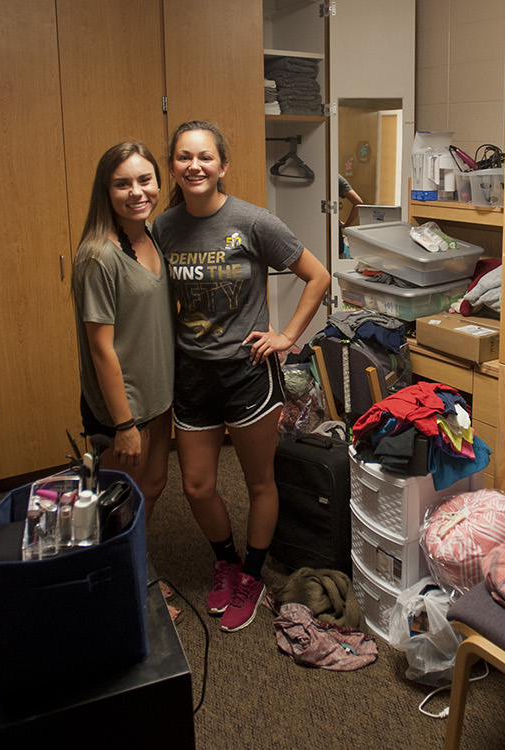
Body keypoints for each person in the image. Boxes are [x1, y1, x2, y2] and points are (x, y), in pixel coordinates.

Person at [155, 121, 330, 633]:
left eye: (205, 157)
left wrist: (287, 336)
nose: (195, 165)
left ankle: (251, 576)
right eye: (184, 157)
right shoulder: (163, 228)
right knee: (196, 486)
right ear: (173, 167)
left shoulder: (253, 222)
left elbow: (318, 275)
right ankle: (226, 562)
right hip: (192, 375)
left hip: (248, 372)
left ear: (222, 165)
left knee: (258, 482)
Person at [71, 142, 177, 616]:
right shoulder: (99, 256)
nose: (137, 192)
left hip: (158, 396)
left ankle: (135, 571)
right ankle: (118, 596)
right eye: (123, 183)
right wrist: (124, 424)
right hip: (124, 409)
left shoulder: (150, 236)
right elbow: (101, 348)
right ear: (106, 190)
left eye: (144, 180)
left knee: (152, 486)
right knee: (117, 505)